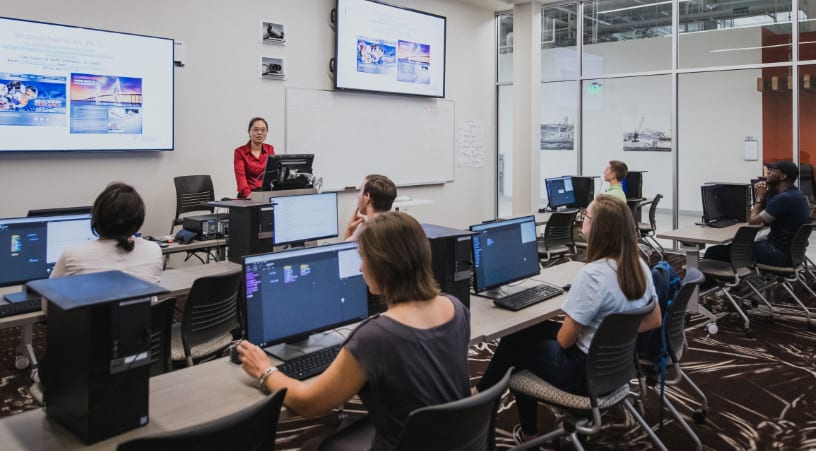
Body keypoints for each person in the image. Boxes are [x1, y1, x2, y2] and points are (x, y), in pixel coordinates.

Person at [236, 212, 470, 450]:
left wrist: (265, 371)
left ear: (382, 265)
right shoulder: (456, 308)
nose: (360, 267)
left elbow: (308, 404)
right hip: (456, 440)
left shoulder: (376, 336)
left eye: (363, 258)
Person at [473, 195, 661, 445]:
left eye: (587, 217)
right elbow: (654, 320)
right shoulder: (640, 267)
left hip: (580, 375)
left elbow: (564, 340)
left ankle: (518, 427)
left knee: (515, 350)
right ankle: (487, 395)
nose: (583, 220)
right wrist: (610, 335)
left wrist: (596, 331)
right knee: (529, 329)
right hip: (617, 368)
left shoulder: (592, 275)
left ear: (600, 229)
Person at [704, 160, 811, 267]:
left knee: (714, 252)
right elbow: (769, 217)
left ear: (783, 176)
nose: (768, 173)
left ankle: (702, 282)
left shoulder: (783, 199)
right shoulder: (797, 195)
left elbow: (754, 222)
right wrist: (768, 191)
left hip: (778, 255)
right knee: (747, 244)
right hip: (792, 255)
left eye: (773, 171)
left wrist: (759, 197)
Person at [50, 182, 162, 283]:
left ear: (97, 217)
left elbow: (47, 303)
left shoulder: (73, 255)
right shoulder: (154, 250)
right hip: (141, 307)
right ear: (139, 219)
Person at [344, 174, 397, 241]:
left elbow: (346, 250)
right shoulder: (397, 227)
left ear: (367, 197)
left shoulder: (365, 234)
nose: (358, 196)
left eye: (360, 190)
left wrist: (349, 231)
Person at [234, 117, 275, 198]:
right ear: (249, 132)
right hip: (247, 196)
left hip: (265, 194)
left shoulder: (270, 149)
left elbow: (273, 174)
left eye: (263, 130)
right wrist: (249, 195)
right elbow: (240, 177)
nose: (260, 133)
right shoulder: (240, 152)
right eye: (256, 130)